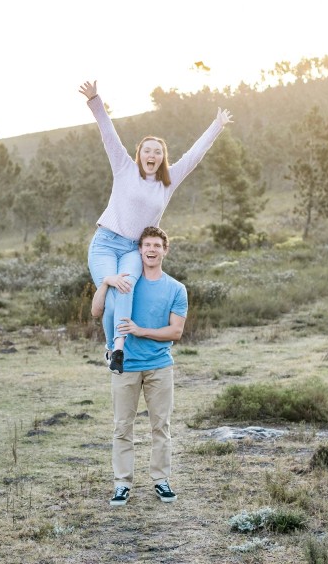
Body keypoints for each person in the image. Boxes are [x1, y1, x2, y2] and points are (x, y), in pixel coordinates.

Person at [79, 79, 232, 375]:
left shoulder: (168, 181)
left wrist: (217, 125)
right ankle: (111, 346)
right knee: (111, 297)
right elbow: (108, 135)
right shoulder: (124, 169)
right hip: (106, 243)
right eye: (147, 150)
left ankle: (119, 349)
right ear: (139, 154)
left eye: (158, 152)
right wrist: (95, 100)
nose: (152, 155)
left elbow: (194, 156)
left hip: (133, 249)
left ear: (163, 157)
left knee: (125, 289)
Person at [92, 226, 187, 506]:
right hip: (126, 367)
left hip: (159, 365)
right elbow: (97, 311)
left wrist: (140, 330)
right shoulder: (126, 282)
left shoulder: (176, 289)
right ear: (139, 250)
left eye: (157, 245)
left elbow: (176, 332)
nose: (151, 249)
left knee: (161, 426)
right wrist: (107, 282)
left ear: (165, 250)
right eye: (146, 244)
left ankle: (161, 481)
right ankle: (122, 484)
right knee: (123, 427)